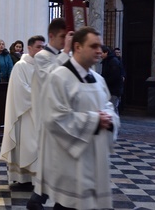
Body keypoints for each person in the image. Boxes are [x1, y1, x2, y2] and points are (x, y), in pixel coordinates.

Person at [37, 26, 120, 210]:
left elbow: (107, 106)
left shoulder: (98, 79)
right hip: (71, 163)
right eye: (94, 46)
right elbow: (55, 118)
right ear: (78, 47)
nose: (99, 50)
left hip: (96, 157)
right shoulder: (58, 77)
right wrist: (95, 120)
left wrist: (110, 118)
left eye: (100, 46)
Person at [27, 18, 73, 210]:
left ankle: (39, 199)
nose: (65, 40)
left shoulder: (67, 56)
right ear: (52, 36)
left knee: (57, 163)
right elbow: (51, 80)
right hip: (47, 117)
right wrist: (65, 53)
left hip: (64, 116)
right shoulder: (42, 57)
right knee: (53, 162)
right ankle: (46, 201)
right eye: (62, 37)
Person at [0, 35, 44, 186]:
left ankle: (37, 178)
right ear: (30, 48)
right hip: (25, 114)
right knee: (26, 145)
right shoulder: (21, 66)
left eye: (43, 47)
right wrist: (42, 95)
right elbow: (21, 91)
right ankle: (23, 178)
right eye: (38, 47)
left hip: (40, 114)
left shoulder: (43, 65)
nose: (41, 50)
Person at [101, 46, 124, 115]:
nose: (99, 55)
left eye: (101, 53)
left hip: (114, 90)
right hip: (110, 89)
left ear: (106, 52)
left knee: (113, 108)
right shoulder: (106, 61)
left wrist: (104, 81)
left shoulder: (113, 62)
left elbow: (115, 76)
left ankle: (115, 123)